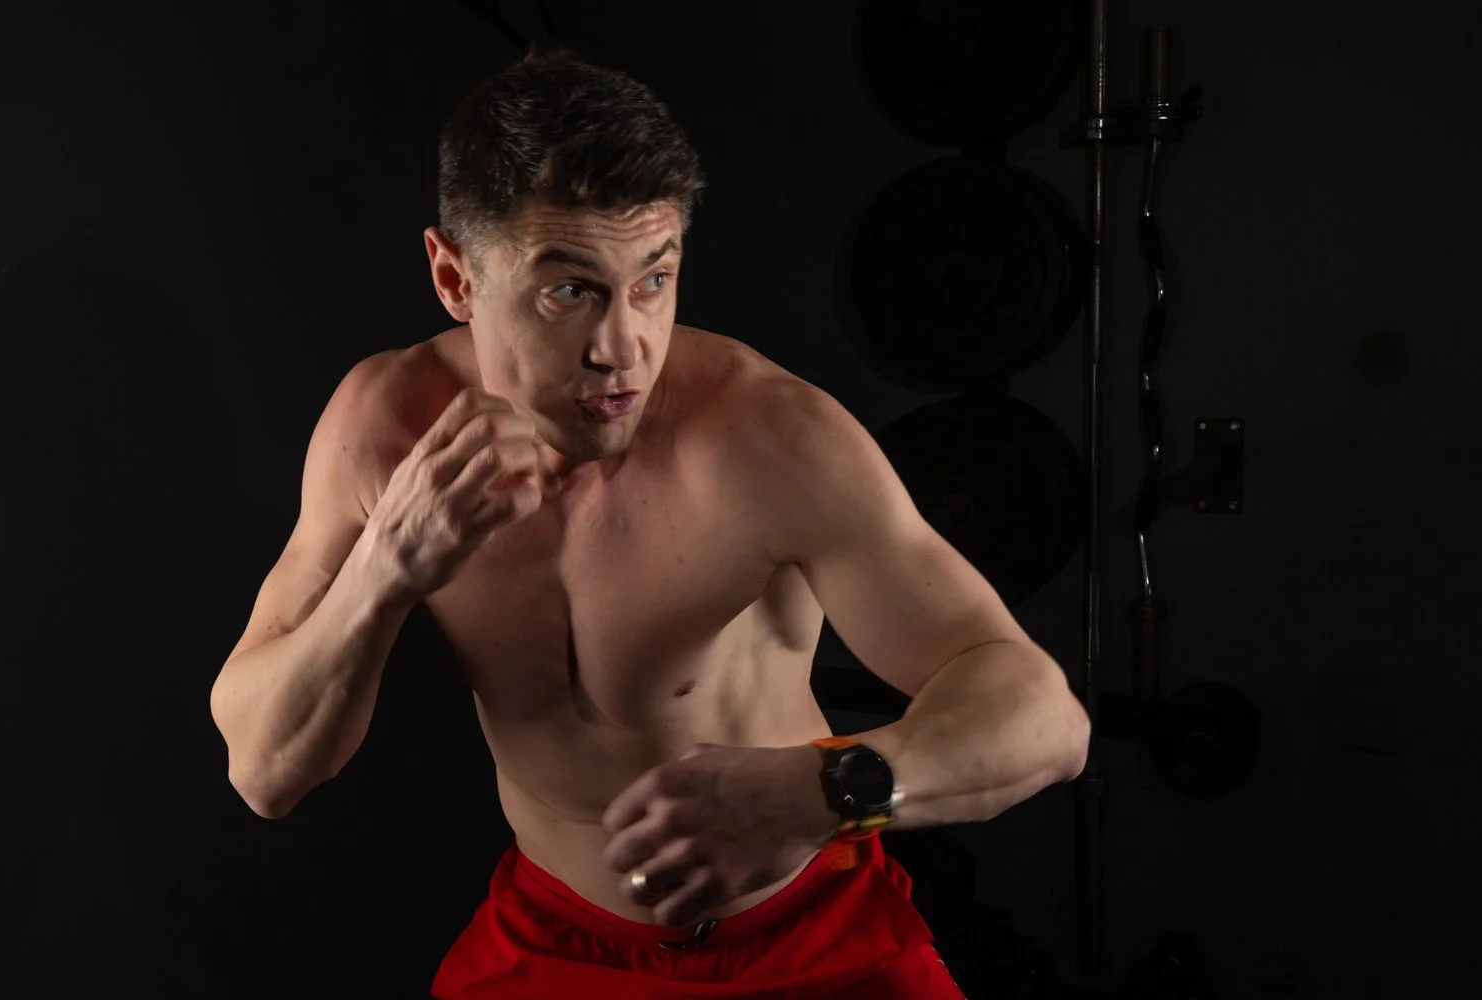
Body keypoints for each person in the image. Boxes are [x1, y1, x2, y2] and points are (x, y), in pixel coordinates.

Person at [209, 49, 1091, 999]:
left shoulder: (768, 436)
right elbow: (264, 769)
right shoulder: (383, 427)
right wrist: (384, 569)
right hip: (554, 942)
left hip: (809, 936)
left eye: (653, 280)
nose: (622, 347)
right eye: (570, 289)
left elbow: (1045, 718)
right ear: (455, 278)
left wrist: (829, 791)